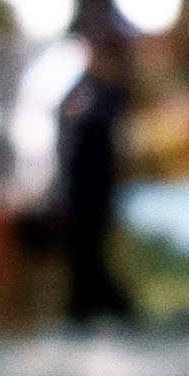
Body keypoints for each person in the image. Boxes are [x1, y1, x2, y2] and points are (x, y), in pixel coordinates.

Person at [51, 24, 136, 327]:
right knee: (82, 241)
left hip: (98, 175)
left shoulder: (114, 91)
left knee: (92, 240)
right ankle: (96, 302)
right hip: (79, 175)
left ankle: (97, 302)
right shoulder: (85, 85)